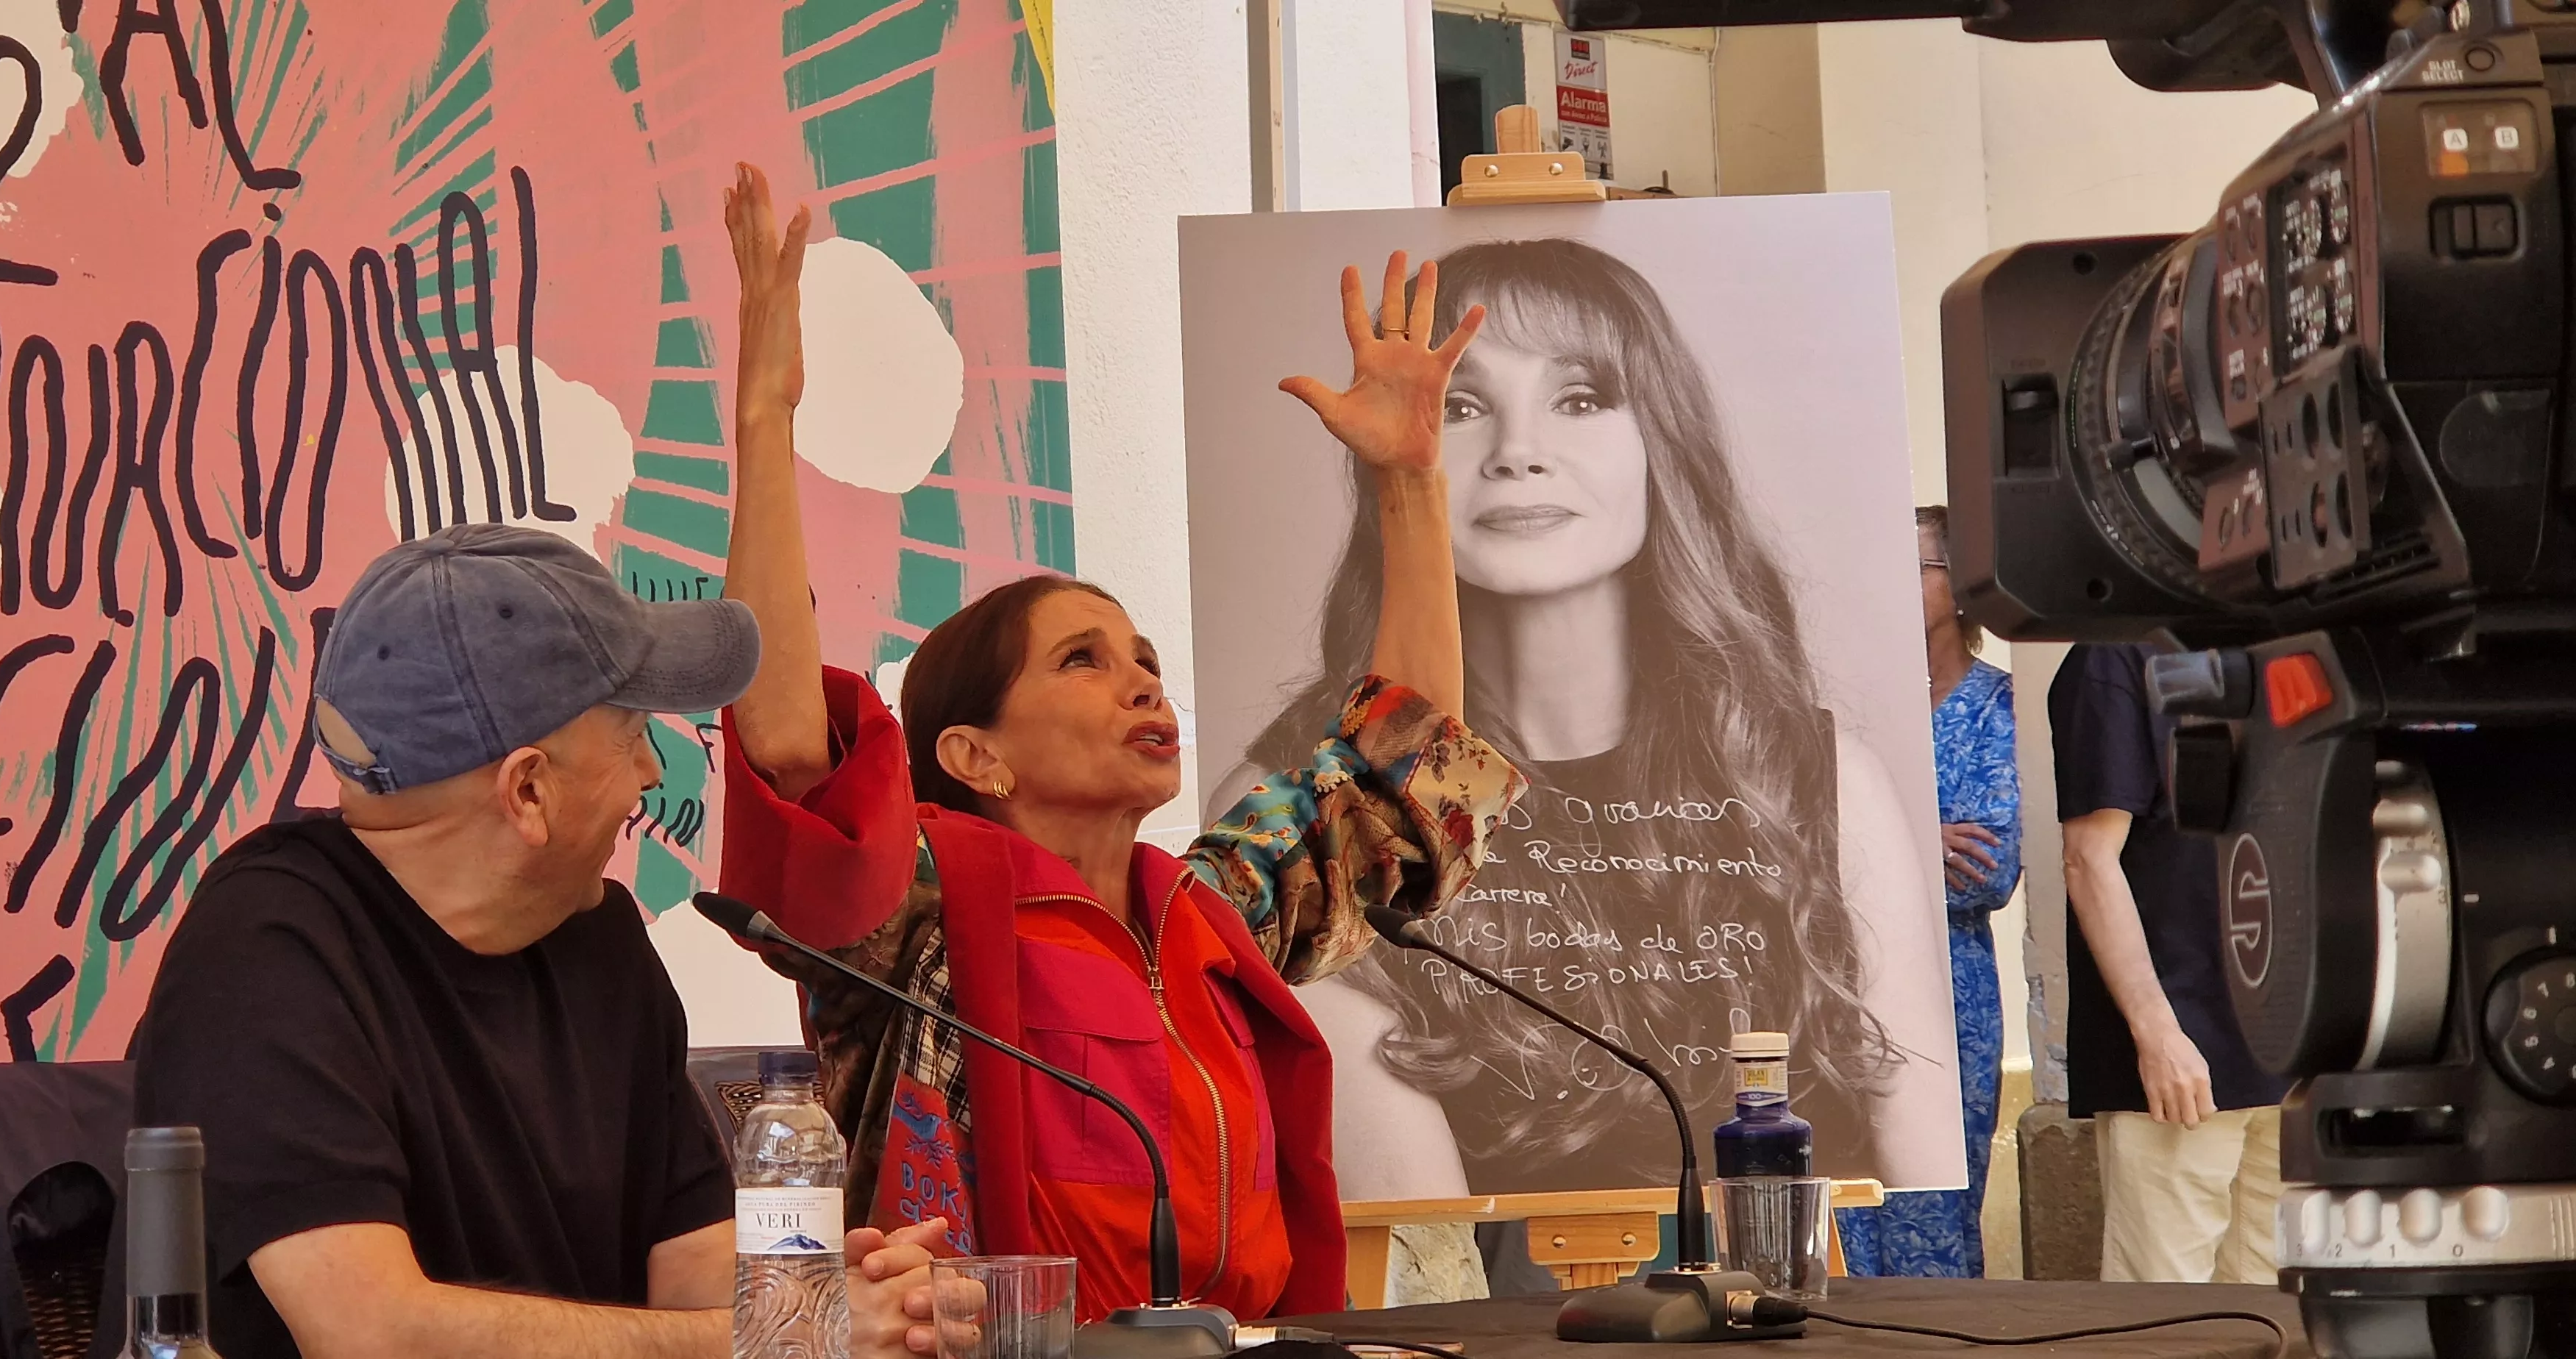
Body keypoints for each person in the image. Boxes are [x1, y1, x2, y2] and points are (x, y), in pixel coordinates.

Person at [709, 165, 1523, 1322]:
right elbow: (793, 750)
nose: (1142, 679)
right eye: (1082, 660)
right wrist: (765, 421)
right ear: (974, 756)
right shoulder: (922, 916)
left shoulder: (1215, 912)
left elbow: (1405, 776)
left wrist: (1410, 484)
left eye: (1142, 656)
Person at [1232, 238, 1947, 1199]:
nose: (1521, 454)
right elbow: (1420, 1256)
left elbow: (1919, 1182)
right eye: (1465, 405)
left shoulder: (1816, 781)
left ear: (1665, 445)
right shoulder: (1298, 813)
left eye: (1579, 399)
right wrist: (1408, 484)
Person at [129, 524, 942, 1359]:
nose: (652, 775)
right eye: (633, 736)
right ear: (528, 790)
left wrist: (826, 1297)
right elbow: (371, 1333)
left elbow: (689, 1261)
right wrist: (772, 1337)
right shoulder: (265, 952)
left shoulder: (601, 943)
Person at [2052, 641, 2290, 1283]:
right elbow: (2088, 858)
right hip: (2178, 1053)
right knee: (2166, 1322)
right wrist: (2157, 1033)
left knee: (2288, 1323)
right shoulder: (2113, 655)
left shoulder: (2289, 636)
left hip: (2291, 1050)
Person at [1833, 507, 2021, 1277]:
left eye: (1913, 566)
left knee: (1934, 1212)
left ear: (1963, 586)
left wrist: (1867, 843)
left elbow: (1988, 869)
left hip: (1949, 998)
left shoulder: (1998, 706)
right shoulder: (1841, 709)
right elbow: (1793, 857)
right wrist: (1920, 841)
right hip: (1831, 992)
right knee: (1836, 1216)